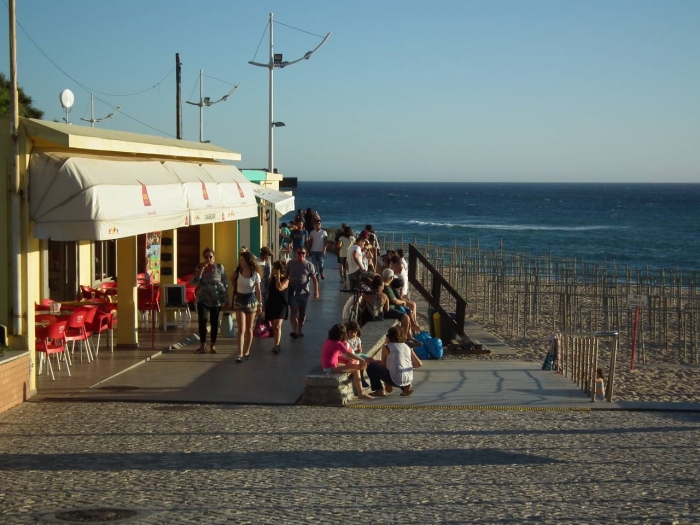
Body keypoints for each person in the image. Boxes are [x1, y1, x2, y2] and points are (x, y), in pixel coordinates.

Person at [190, 247, 228, 354]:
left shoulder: (219, 267)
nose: (208, 259)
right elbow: (194, 282)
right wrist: (201, 270)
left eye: (210, 257)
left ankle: (213, 345)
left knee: (214, 322)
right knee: (202, 321)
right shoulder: (199, 267)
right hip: (203, 298)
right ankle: (202, 345)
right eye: (206, 257)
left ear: (214, 257)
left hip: (216, 299)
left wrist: (226, 299)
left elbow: (225, 282)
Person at [320, 323, 373, 400]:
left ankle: (361, 391)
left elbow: (335, 355)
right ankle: (360, 393)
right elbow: (348, 353)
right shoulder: (338, 343)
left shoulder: (328, 340)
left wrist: (348, 359)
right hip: (330, 367)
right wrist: (361, 359)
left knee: (353, 366)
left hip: (327, 365)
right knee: (356, 370)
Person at [367, 326, 423, 397]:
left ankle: (379, 390)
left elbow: (383, 365)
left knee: (370, 366)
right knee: (397, 372)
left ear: (389, 336)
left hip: (395, 380)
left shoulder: (387, 347)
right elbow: (419, 364)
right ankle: (406, 387)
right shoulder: (407, 346)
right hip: (408, 378)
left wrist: (374, 361)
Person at [231, 251, 263, 363]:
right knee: (241, 328)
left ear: (248, 261)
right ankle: (239, 354)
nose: (241, 262)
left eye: (242, 260)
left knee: (249, 328)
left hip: (251, 302)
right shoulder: (238, 271)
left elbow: (258, 291)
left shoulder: (255, 274)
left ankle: (247, 351)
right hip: (239, 300)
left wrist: (260, 305)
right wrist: (235, 287)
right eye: (240, 260)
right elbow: (232, 278)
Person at [286, 246, 319, 338]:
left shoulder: (309, 265)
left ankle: (300, 329)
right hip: (292, 292)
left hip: (304, 293)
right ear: (296, 254)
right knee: (294, 311)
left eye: (303, 253)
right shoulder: (290, 263)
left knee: (302, 312)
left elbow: (314, 279)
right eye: (299, 253)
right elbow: (286, 276)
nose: (301, 255)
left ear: (306, 254)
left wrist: (316, 291)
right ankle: (295, 331)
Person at [382, 268, 421, 335]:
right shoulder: (386, 288)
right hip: (389, 310)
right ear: (391, 277)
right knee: (406, 317)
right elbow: (395, 301)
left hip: (391, 308)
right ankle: (406, 337)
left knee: (408, 311)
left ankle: (413, 326)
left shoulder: (387, 286)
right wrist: (403, 302)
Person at [265, 260, 289, 354]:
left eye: (274, 268)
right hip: (271, 303)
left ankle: (277, 345)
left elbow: (279, 288)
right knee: (273, 325)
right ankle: (275, 342)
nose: (272, 270)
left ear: (278, 270)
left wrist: (278, 277)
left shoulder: (286, 280)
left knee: (277, 325)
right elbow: (268, 292)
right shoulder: (272, 279)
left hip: (281, 305)